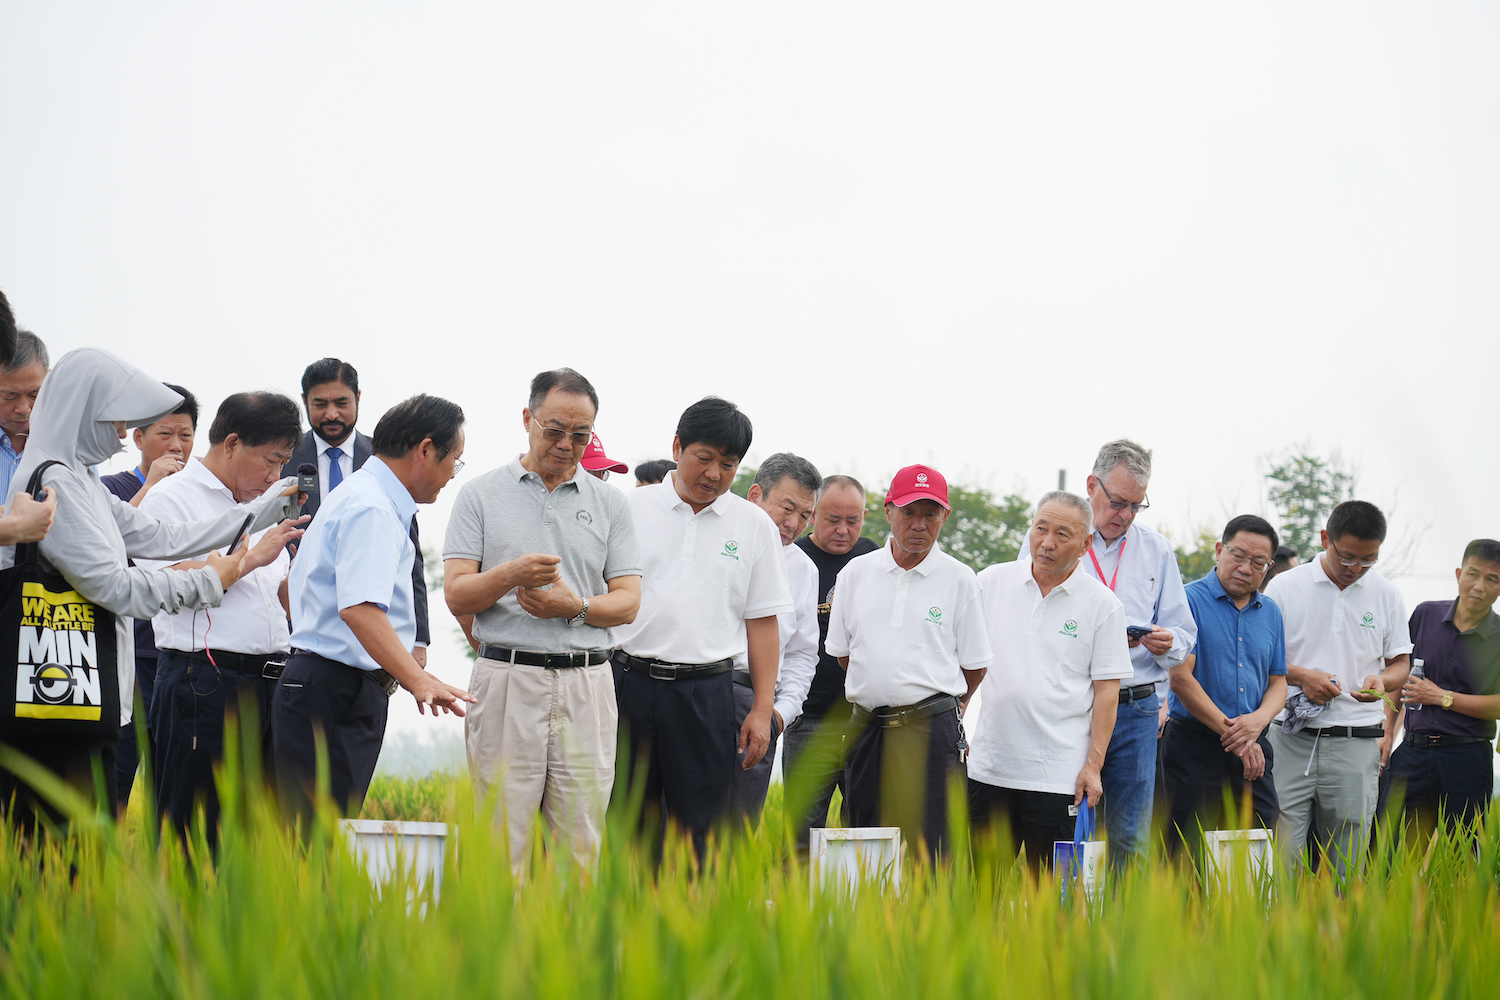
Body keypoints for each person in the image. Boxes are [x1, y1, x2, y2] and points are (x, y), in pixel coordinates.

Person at [0, 349, 295, 831]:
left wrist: (258, 514)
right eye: (115, 420)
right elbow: (113, 588)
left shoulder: (80, 478)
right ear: (82, 410)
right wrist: (211, 579)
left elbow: (159, 535)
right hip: (56, 697)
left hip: (79, 692)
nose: (121, 434)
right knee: (55, 845)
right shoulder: (58, 479)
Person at [443, 369, 641, 868]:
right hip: (507, 677)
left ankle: (570, 947)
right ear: (527, 419)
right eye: (554, 430)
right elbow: (457, 593)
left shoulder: (611, 504)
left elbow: (628, 602)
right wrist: (510, 574)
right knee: (499, 839)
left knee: (580, 844)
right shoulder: (480, 494)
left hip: (587, 683)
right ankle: (495, 947)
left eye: (581, 434)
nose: (567, 444)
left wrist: (571, 607)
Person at [275, 394, 474, 821]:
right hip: (337, 691)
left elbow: (289, 591)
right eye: (453, 462)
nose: (449, 477)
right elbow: (360, 610)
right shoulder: (374, 508)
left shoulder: (356, 496)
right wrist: (417, 679)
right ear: (425, 450)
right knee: (316, 844)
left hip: (321, 683)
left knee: (307, 837)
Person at [610, 397, 791, 859]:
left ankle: (691, 925)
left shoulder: (753, 526)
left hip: (707, 692)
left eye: (728, 465)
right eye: (704, 458)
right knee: (625, 824)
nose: (713, 474)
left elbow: (763, 622)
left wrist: (762, 709)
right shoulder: (628, 509)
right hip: (626, 683)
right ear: (677, 447)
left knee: (701, 832)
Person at [138, 392, 308, 843]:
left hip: (272, 685)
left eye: (284, 463)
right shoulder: (169, 499)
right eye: (270, 461)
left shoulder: (268, 505)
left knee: (262, 840)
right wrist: (250, 559)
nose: (275, 476)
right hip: (204, 684)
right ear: (231, 443)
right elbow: (162, 584)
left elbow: (279, 597)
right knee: (194, 834)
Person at [1020, 439, 1195, 866]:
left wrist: (1168, 641)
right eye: (1118, 502)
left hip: (1134, 707)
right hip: (1068, 705)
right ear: (1091, 486)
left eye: (1137, 506)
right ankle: (1065, 923)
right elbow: (1030, 618)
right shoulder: (1049, 539)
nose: (1126, 515)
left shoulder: (1156, 550)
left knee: (1129, 837)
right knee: (1064, 828)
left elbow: (1185, 633)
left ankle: (1119, 931)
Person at [827, 464, 993, 859]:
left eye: (930, 513)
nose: (919, 524)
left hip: (930, 732)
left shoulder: (960, 579)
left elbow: (975, 666)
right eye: (908, 512)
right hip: (868, 728)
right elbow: (846, 655)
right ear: (888, 511)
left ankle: (930, 922)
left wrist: (928, 702)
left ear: (945, 516)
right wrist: (884, 688)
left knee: (933, 850)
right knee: (864, 844)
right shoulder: (857, 573)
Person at [968, 492, 1130, 871]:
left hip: (1059, 778)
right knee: (976, 893)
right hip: (989, 769)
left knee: (1057, 900)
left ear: (1086, 544)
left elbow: (1108, 692)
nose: (1047, 542)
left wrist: (1093, 766)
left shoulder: (1103, 605)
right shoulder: (990, 581)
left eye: (1062, 534)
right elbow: (964, 660)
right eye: (1040, 528)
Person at [1265, 500, 1411, 876]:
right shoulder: (1284, 587)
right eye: (1347, 558)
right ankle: (1280, 932)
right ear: (1325, 538)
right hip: (1289, 738)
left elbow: (1400, 664)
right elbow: (1262, 659)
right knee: (1280, 854)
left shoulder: (1386, 594)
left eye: (1368, 560)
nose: (1355, 570)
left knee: (1346, 860)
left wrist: (1382, 682)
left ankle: (1337, 932)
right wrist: (1303, 677)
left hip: (1356, 741)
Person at [283, 358, 431, 666]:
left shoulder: (387, 458)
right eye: (320, 404)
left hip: (373, 638)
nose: (331, 414)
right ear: (304, 402)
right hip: (296, 625)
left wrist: (418, 638)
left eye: (341, 402)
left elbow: (411, 551)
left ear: (358, 398)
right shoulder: (282, 458)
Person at [99, 383, 199, 809]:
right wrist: (152, 484)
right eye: (165, 433)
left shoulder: (199, 495)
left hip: (177, 659)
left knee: (173, 786)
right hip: (129, 656)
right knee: (116, 778)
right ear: (137, 437)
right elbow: (111, 544)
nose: (176, 445)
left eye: (186, 434)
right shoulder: (109, 487)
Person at [1163, 515, 1286, 857]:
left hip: (1254, 744)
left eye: (1258, 562)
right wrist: (1239, 737)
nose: (1246, 568)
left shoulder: (1271, 612)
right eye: (1238, 555)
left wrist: (1258, 722)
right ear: (1219, 550)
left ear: (1269, 567)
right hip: (1195, 744)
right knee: (1186, 851)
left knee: (1258, 845)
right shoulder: (1187, 600)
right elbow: (1180, 678)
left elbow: (1279, 681)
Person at [1382, 538, 1500, 840]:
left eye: (1492, 579)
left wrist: (1442, 697)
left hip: (1468, 758)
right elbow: (1399, 675)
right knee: (1387, 854)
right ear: (1459, 574)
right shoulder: (1425, 615)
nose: (1479, 586)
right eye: (1473, 574)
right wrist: (1386, 733)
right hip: (1412, 752)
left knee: (1461, 859)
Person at [784, 474, 878, 847]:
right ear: (813, 514)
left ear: (866, 516)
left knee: (864, 831)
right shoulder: (794, 559)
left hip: (864, 723)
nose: (842, 530)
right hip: (809, 719)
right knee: (803, 834)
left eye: (852, 521)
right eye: (832, 519)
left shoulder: (875, 559)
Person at [727, 453, 821, 824]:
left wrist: (779, 715)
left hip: (757, 709)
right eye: (787, 507)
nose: (793, 523)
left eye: (805, 515)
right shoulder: (720, 538)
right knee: (674, 831)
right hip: (699, 690)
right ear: (755, 495)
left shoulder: (803, 569)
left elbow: (801, 655)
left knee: (736, 833)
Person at [0, 330, 49, 501]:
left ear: (49, 380)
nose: (23, 408)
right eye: (10, 396)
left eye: (34, 394)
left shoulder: (71, 449)